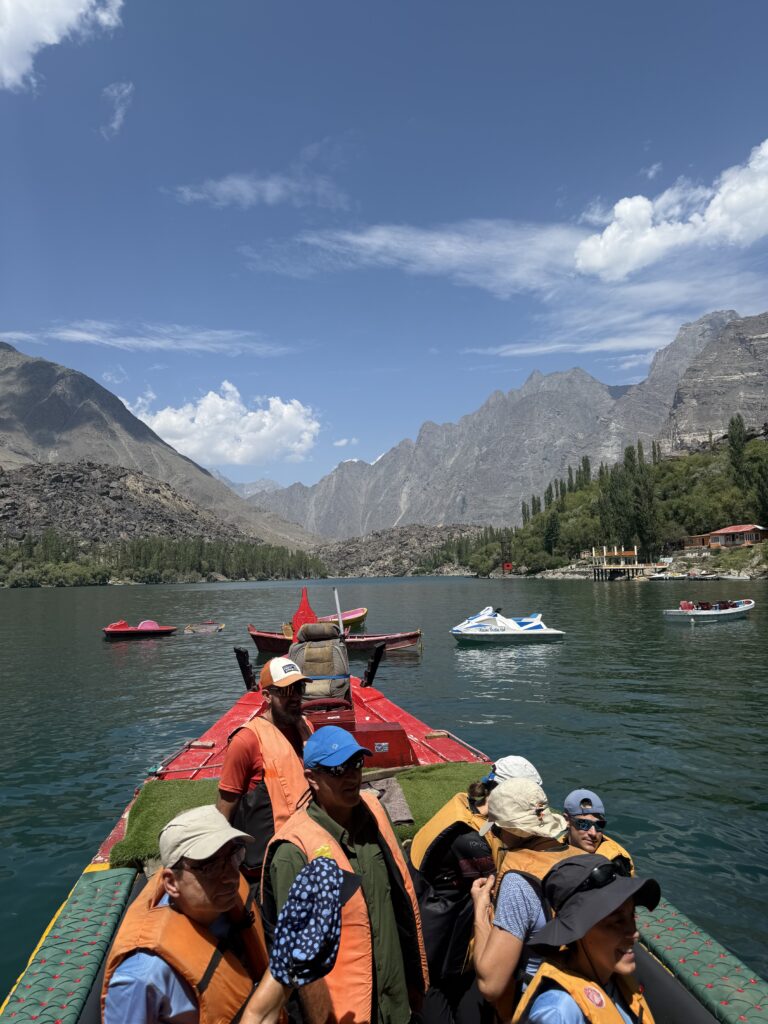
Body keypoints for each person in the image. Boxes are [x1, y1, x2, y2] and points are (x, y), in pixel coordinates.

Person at [262, 725, 429, 1024]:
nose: (351, 776)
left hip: (395, 1005)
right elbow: (301, 963)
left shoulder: (375, 814)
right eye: (338, 769)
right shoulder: (294, 852)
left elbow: (400, 904)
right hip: (346, 1014)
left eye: (356, 764)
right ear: (312, 778)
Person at [102, 805, 284, 1024]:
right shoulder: (143, 978)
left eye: (233, 856)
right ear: (171, 883)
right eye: (209, 866)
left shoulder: (224, 907)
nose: (230, 876)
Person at [470, 778, 580, 1022]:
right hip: (580, 1001)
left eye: (497, 829)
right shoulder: (581, 859)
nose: (496, 836)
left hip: (536, 1008)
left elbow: (491, 986)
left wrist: (481, 908)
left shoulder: (518, 884)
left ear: (509, 829)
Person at [512, 854, 660, 1023]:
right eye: (617, 921)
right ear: (579, 931)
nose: (634, 933)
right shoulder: (558, 1012)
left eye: (631, 915)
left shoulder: (612, 979)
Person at [216, 656, 314, 883]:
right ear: (267, 696)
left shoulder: (306, 728)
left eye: (299, 688)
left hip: (309, 848)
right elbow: (225, 806)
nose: (296, 697)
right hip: (268, 865)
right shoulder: (246, 741)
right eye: (286, 691)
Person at [563, 790, 634, 876]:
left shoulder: (615, 863)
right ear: (567, 820)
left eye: (599, 825)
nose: (593, 833)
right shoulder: (555, 846)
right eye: (583, 824)